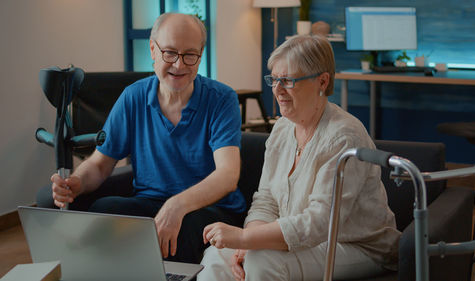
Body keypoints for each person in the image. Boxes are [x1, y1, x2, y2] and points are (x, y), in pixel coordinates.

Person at [36, 13, 246, 264]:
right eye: (169, 52)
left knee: (183, 232)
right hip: (149, 204)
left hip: (210, 209)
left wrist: (176, 206)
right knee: (103, 213)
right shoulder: (133, 97)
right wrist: (76, 182)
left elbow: (227, 175)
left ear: (200, 55)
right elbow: (101, 163)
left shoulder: (221, 99)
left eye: (190, 55)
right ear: (153, 50)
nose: (179, 65)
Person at [197, 34, 401, 281]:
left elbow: (320, 222)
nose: (277, 90)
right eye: (274, 79)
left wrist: (245, 238)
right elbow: (266, 201)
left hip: (357, 246)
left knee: (263, 261)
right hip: (306, 242)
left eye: (288, 80)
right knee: (215, 258)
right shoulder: (282, 129)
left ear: (322, 82)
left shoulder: (344, 135)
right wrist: (248, 241)